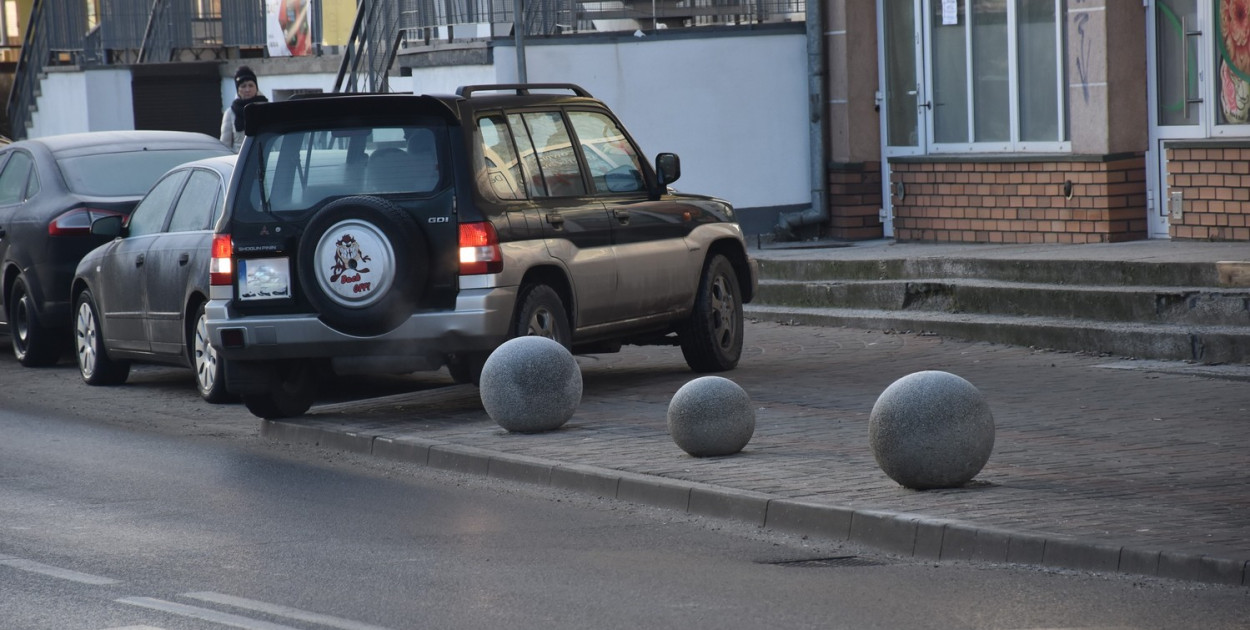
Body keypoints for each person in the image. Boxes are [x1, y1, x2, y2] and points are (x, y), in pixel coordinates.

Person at [220, 66, 268, 152]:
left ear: (256, 87)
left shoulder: (266, 108)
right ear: (238, 90)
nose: (247, 89)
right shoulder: (230, 113)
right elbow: (225, 146)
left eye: (251, 85)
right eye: (243, 86)